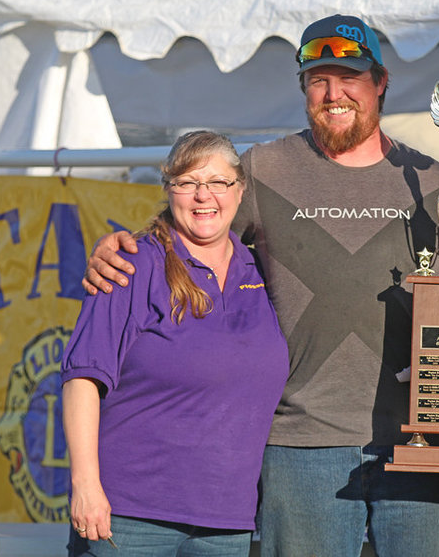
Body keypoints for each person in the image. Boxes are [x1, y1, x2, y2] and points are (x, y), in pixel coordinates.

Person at [82, 14, 439, 557]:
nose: (334, 94)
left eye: (349, 78)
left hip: (419, 442)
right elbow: (190, 231)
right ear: (303, 88)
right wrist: (122, 247)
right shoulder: (263, 170)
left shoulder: (436, 183)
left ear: (380, 82)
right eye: (318, 80)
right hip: (299, 446)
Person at [62, 131, 289, 555]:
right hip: (128, 517)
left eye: (218, 182)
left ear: (240, 191)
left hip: (226, 523)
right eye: (187, 182)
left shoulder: (262, 268)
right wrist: (85, 486)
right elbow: (82, 380)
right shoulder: (130, 265)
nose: (204, 196)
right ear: (168, 189)